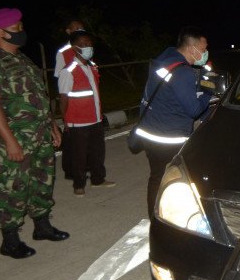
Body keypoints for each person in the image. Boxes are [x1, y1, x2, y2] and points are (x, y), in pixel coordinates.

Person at [0, 7, 69, 259]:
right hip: (15, 139)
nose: (21, 32)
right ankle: (10, 239)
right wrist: (10, 142)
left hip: (39, 135)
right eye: (16, 28)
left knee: (42, 181)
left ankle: (42, 226)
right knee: (13, 187)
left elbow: (39, 97)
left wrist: (52, 125)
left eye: (21, 27)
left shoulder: (24, 60)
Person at [131, 27, 213, 217]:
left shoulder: (164, 60)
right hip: (168, 137)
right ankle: (167, 219)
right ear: (192, 48)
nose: (206, 51)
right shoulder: (182, 72)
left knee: (156, 177)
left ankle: (155, 218)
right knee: (177, 179)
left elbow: (170, 95)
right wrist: (209, 92)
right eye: (204, 47)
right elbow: (193, 109)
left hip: (150, 132)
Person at [57, 30, 115, 196]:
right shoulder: (68, 71)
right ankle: (79, 184)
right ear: (74, 48)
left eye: (89, 44)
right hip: (78, 122)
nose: (87, 47)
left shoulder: (91, 67)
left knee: (97, 152)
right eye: (83, 44)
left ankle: (98, 179)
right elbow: (63, 99)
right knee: (79, 156)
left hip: (95, 119)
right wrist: (66, 121)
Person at [54, 19, 85, 182]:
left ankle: (82, 167)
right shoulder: (63, 52)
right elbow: (60, 76)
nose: (80, 30)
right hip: (71, 99)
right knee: (72, 138)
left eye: (81, 27)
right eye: (76, 28)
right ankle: (70, 170)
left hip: (85, 101)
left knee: (84, 140)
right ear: (68, 32)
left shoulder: (86, 48)